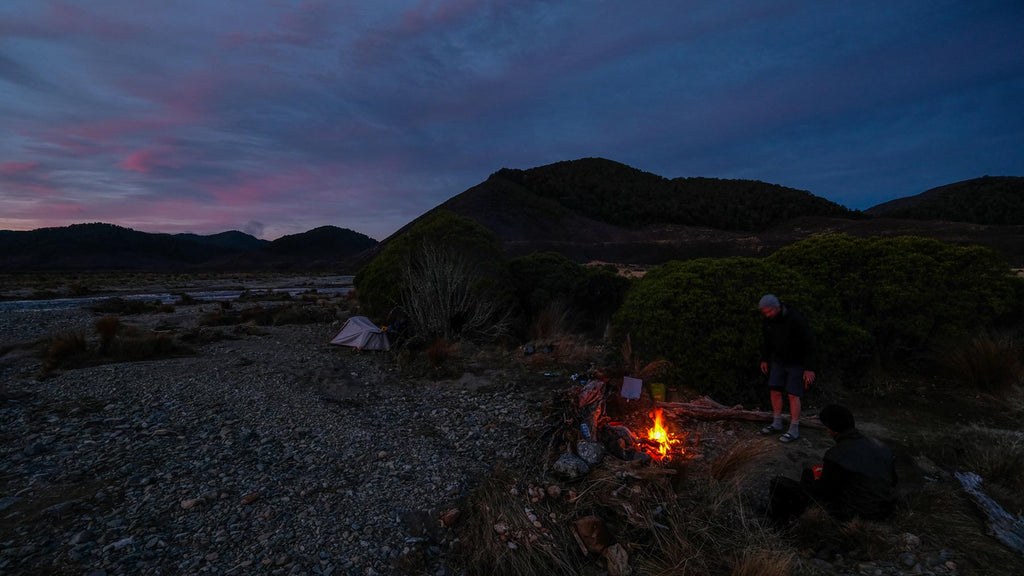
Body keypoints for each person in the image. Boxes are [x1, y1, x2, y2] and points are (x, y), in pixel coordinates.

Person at [766, 404, 898, 523]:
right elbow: (893, 481)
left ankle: (781, 526)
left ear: (831, 429)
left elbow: (824, 492)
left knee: (779, 483)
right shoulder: (882, 448)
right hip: (883, 510)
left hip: (854, 514)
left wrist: (814, 480)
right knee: (809, 473)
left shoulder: (836, 454)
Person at [758, 294, 817, 443]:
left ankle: (794, 429)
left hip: (796, 363)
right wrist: (765, 359)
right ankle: (777, 422)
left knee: (793, 394)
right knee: (775, 390)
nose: (767, 315)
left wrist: (809, 368)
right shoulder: (768, 320)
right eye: (765, 312)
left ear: (776, 307)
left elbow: (810, 342)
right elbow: (766, 341)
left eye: (769, 311)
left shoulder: (795, 319)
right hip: (778, 361)